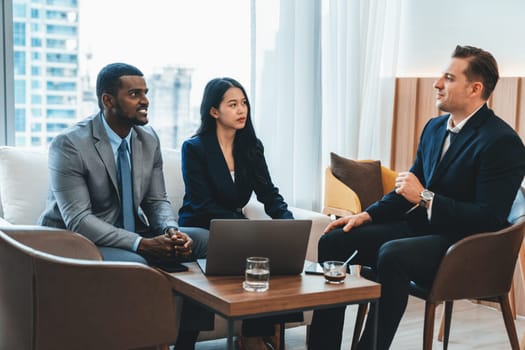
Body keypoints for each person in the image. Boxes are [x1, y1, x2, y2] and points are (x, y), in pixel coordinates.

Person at [307, 45, 525, 350]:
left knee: (392, 254)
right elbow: (405, 190)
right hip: (424, 230)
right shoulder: (435, 128)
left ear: (475, 88)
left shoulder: (502, 142)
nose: (436, 84)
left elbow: (488, 218)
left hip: (464, 245)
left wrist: (425, 197)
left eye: (448, 78)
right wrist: (366, 216)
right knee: (335, 239)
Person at [38, 62, 212, 349]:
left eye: (145, 92)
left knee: (206, 241)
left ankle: (185, 343)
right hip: (74, 242)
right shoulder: (69, 144)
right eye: (134, 94)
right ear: (108, 100)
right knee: (137, 264)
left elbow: (156, 200)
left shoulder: (148, 138)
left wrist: (170, 231)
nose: (145, 101)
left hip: (129, 233)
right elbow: (79, 220)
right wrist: (142, 245)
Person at [178, 77, 299, 350]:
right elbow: (201, 203)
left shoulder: (251, 147)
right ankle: (185, 344)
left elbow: (268, 192)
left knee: (273, 254)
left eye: (244, 103)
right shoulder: (194, 148)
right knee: (247, 246)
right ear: (214, 111)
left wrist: (287, 224)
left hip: (235, 228)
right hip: (199, 223)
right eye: (232, 104)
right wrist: (245, 227)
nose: (241, 110)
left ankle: (256, 336)